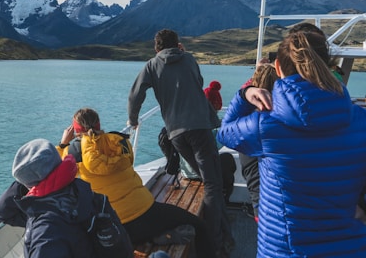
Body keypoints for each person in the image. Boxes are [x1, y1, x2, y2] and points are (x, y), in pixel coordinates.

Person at [218, 31, 366, 257]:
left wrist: (245, 93)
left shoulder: (264, 125)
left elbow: (225, 133)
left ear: (278, 68)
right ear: (327, 65)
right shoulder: (365, 120)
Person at [127, 29, 233, 257]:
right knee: (213, 184)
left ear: (156, 48)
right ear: (179, 45)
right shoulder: (189, 59)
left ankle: (223, 232)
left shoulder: (151, 65)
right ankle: (216, 244)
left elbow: (135, 95)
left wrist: (133, 119)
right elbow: (199, 81)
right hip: (199, 129)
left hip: (176, 134)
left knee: (209, 181)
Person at [60, 108, 216, 258]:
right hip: (146, 212)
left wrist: (63, 144)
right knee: (198, 224)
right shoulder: (118, 141)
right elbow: (127, 159)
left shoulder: (73, 153)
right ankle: (157, 236)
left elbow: (56, 167)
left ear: (76, 130)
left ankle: (152, 238)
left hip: (118, 226)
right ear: (99, 124)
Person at [0, 138, 133, 258]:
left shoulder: (46, 227)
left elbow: (4, 211)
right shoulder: (88, 195)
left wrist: (25, 181)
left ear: (29, 184)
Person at [237, 63, 278, 221]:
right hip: (282, 201)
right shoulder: (282, 122)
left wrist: (247, 91)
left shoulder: (242, 124)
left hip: (259, 202)